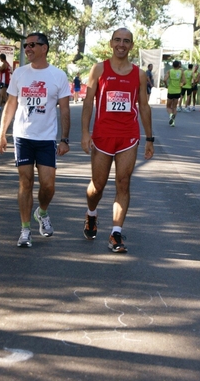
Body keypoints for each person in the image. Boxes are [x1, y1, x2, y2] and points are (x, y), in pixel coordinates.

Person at [81, 27, 154, 254]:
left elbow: (143, 106)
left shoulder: (139, 74)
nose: (122, 44)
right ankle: (91, 214)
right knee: (97, 186)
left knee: (123, 182)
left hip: (128, 136)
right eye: (118, 40)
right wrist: (85, 132)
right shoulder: (99, 69)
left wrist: (149, 138)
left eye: (126, 41)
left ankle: (116, 233)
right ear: (111, 43)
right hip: (102, 136)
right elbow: (88, 101)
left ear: (131, 45)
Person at [0, 32, 71, 248]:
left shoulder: (58, 76)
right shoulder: (19, 73)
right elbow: (11, 105)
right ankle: (25, 229)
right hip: (23, 137)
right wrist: (2, 134)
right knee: (25, 182)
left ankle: (42, 212)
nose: (27, 48)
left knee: (48, 186)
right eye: (26, 45)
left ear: (44, 48)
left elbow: (65, 110)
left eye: (32, 45)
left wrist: (64, 139)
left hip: (47, 138)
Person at [164, 60, 185, 127]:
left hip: (171, 91)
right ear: (178, 65)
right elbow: (184, 81)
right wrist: (180, 85)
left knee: (168, 107)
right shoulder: (181, 72)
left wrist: (166, 85)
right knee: (174, 107)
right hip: (177, 91)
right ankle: (172, 122)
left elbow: (164, 80)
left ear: (172, 65)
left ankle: (171, 115)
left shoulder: (170, 71)